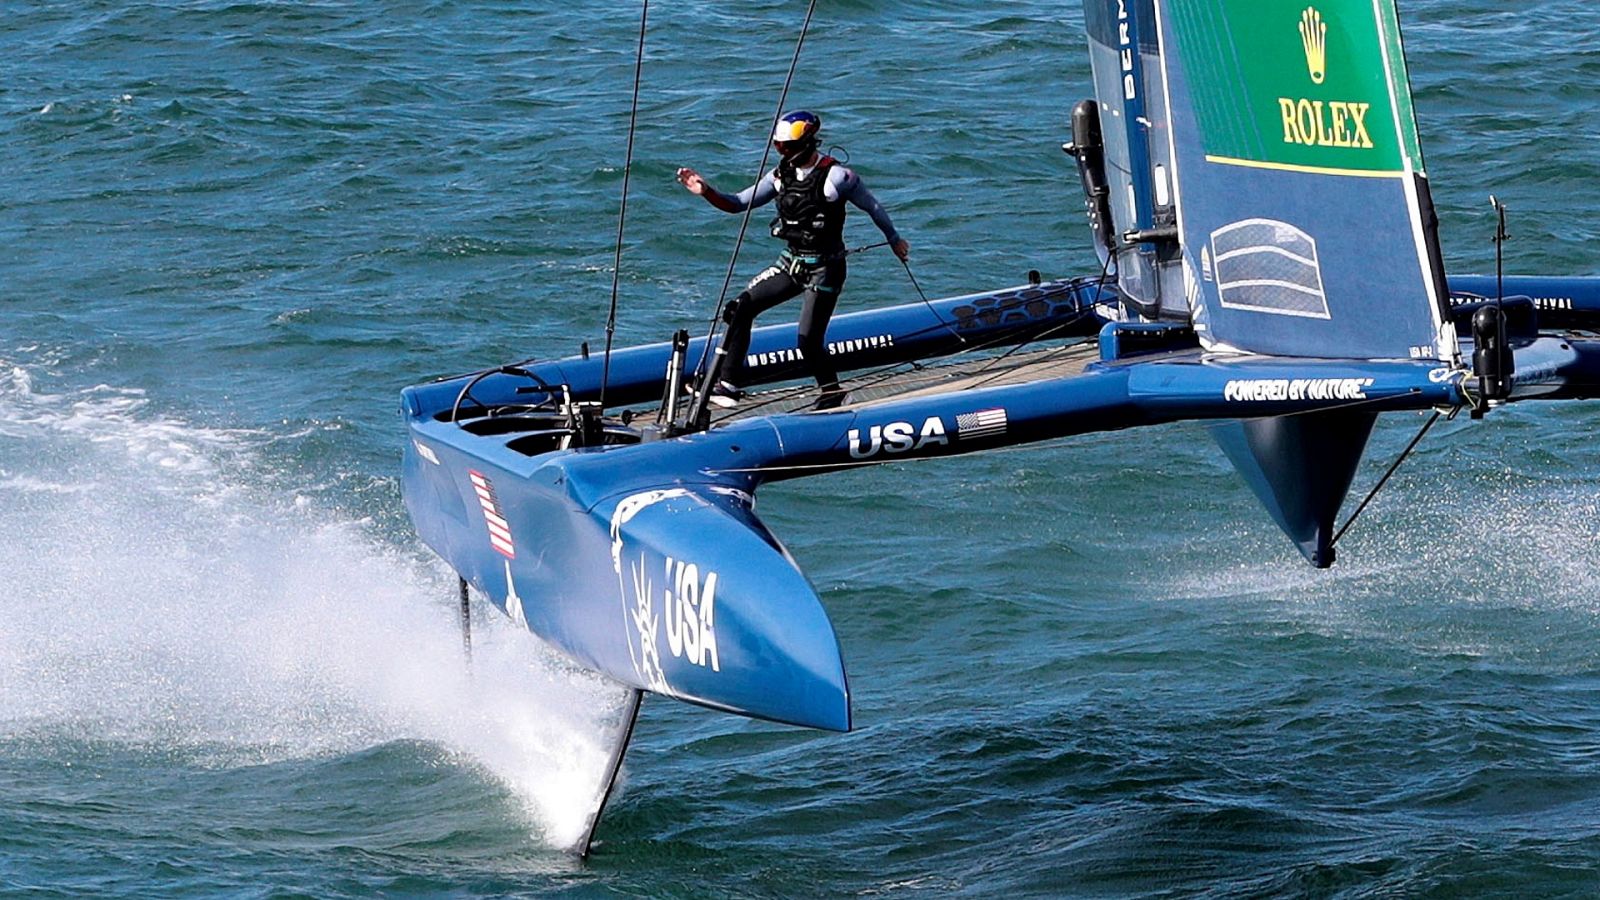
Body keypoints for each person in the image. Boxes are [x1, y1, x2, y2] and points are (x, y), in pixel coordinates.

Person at [677, 110, 910, 409]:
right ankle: (728, 385)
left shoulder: (837, 177)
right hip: (791, 263)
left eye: (786, 147)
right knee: (739, 309)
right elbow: (737, 204)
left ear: (807, 143)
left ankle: (833, 393)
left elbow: (873, 207)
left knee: (808, 341)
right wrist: (706, 191)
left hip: (826, 269)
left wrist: (894, 239)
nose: (782, 153)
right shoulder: (779, 176)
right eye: (778, 147)